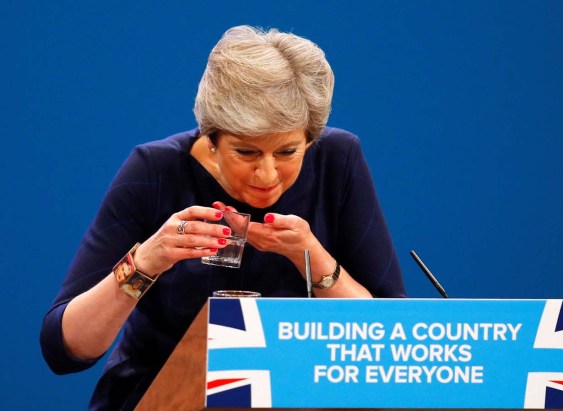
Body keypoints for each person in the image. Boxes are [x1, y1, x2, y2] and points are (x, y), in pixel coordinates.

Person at [40, 25, 407, 410]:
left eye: (287, 152)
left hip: (298, 396)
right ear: (211, 138)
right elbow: (65, 349)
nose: (267, 176)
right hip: (159, 395)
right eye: (246, 153)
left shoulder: (338, 159)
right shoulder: (155, 170)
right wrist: (146, 263)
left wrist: (313, 258)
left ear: (311, 140)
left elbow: (389, 338)